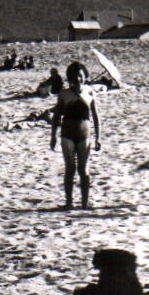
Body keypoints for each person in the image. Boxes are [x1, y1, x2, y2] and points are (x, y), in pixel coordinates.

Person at [49, 61, 101, 209]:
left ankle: (85, 203)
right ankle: (69, 202)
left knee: (84, 170)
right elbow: (57, 116)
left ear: (85, 76)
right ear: (70, 78)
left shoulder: (90, 92)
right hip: (67, 135)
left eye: (81, 76)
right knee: (70, 169)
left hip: (85, 135)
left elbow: (96, 116)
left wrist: (98, 137)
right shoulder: (64, 94)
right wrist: (53, 136)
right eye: (75, 76)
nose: (78, 79)